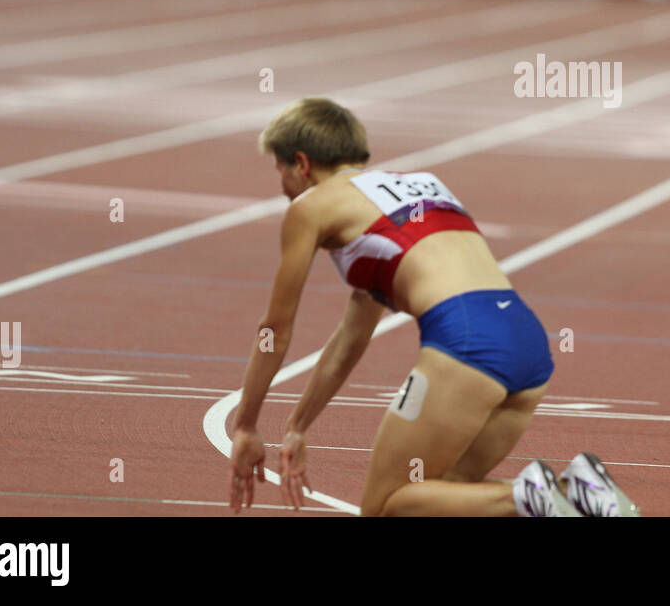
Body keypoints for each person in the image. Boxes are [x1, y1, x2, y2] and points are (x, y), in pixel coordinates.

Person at [227, 98, 638, 517]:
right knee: (439, 497)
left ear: (301, 163)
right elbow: (352, 337)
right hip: (526, 340)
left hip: (467, 340)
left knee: (387, 505)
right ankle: (574, 488)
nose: (281, 187)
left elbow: (274, 330)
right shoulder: (421, 184)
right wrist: (296, 427)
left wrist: (245, 427)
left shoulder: (310, 206)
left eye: (279, 171)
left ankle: (553, 496)